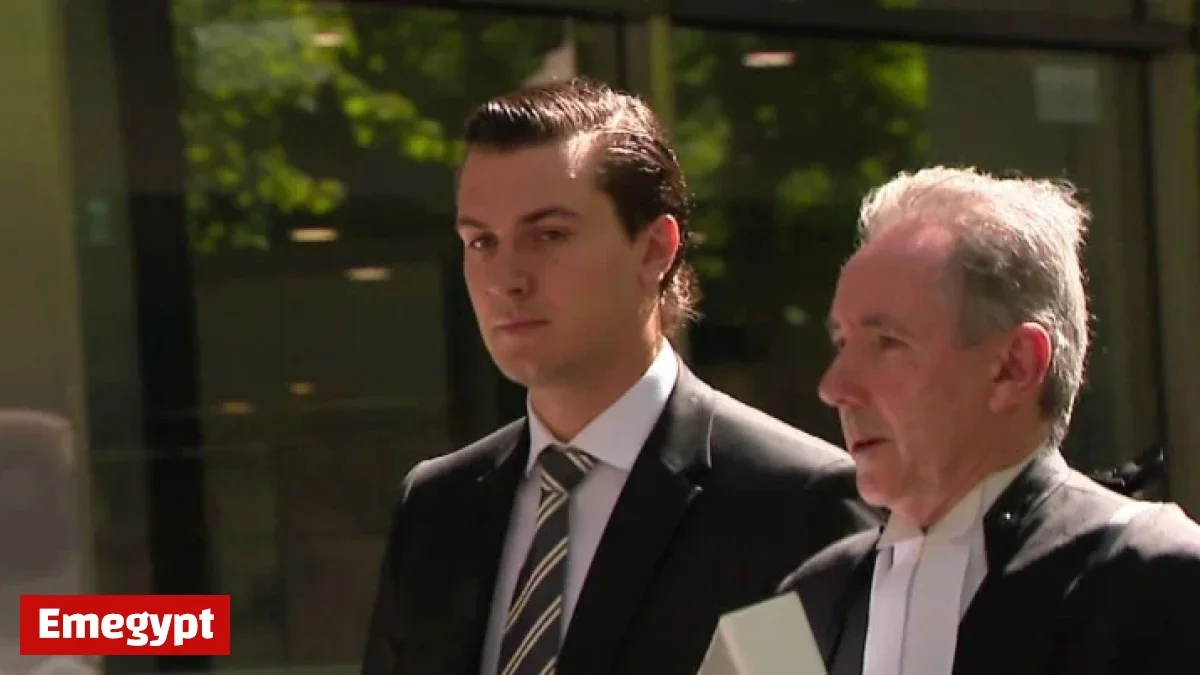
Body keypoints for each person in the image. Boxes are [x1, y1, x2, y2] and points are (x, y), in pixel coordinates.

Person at [359, 78, 878, 675]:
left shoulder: (789, 507)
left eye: (549, 235)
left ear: (655, 249)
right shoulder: (435, 508)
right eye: (481, 242)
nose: (507, 279)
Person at [777, 166, 1200, 675]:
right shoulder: (801, 603)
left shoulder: (1161, 577)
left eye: (887, 342)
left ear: (1014, 367)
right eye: (842, 343)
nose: (834, 387)